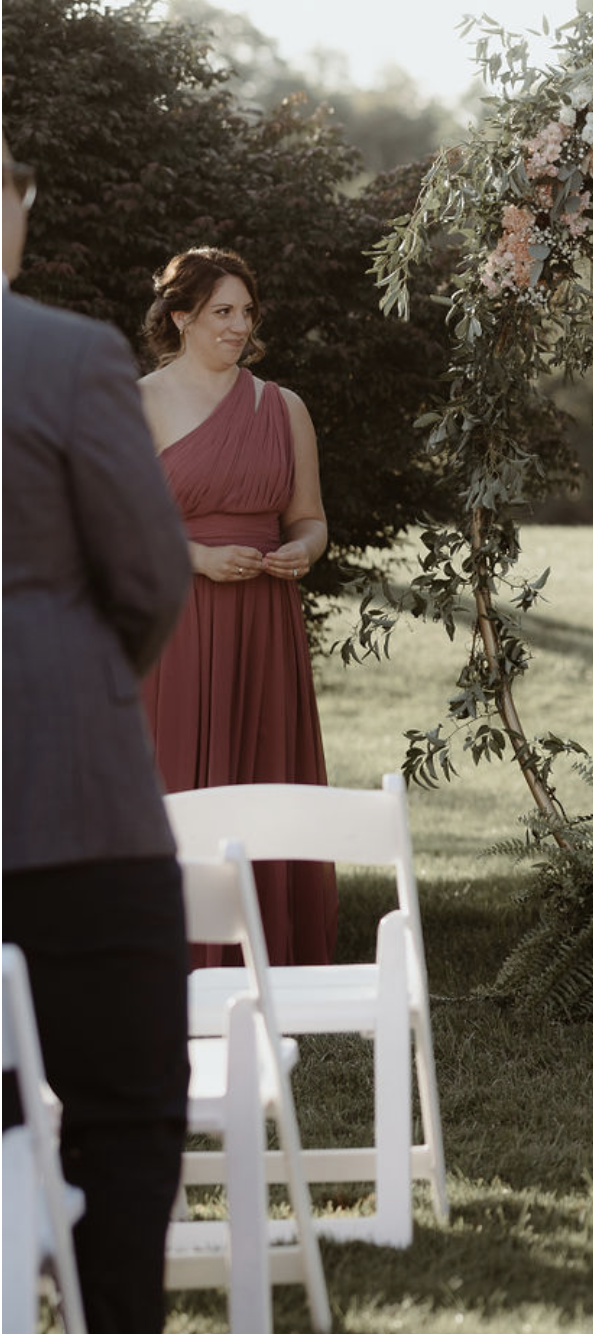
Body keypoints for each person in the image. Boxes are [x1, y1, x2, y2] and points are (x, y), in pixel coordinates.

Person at [2, 138, 195, 1334]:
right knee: (124, 1107)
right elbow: (149, 575)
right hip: (74, 808)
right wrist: (76, 682)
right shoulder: (68, 357)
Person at [136, 247, 337, 967]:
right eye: (222, 311)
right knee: (178, 776)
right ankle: (172, 954)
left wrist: (303, 553)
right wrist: (197, 559)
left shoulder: (284, 408)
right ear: (181, 316)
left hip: (264, 622)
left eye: (246, 312)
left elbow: (309, 518)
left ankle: (268, 953)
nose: (238, 326)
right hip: (177, 620)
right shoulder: (141, 402)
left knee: (261, 776)